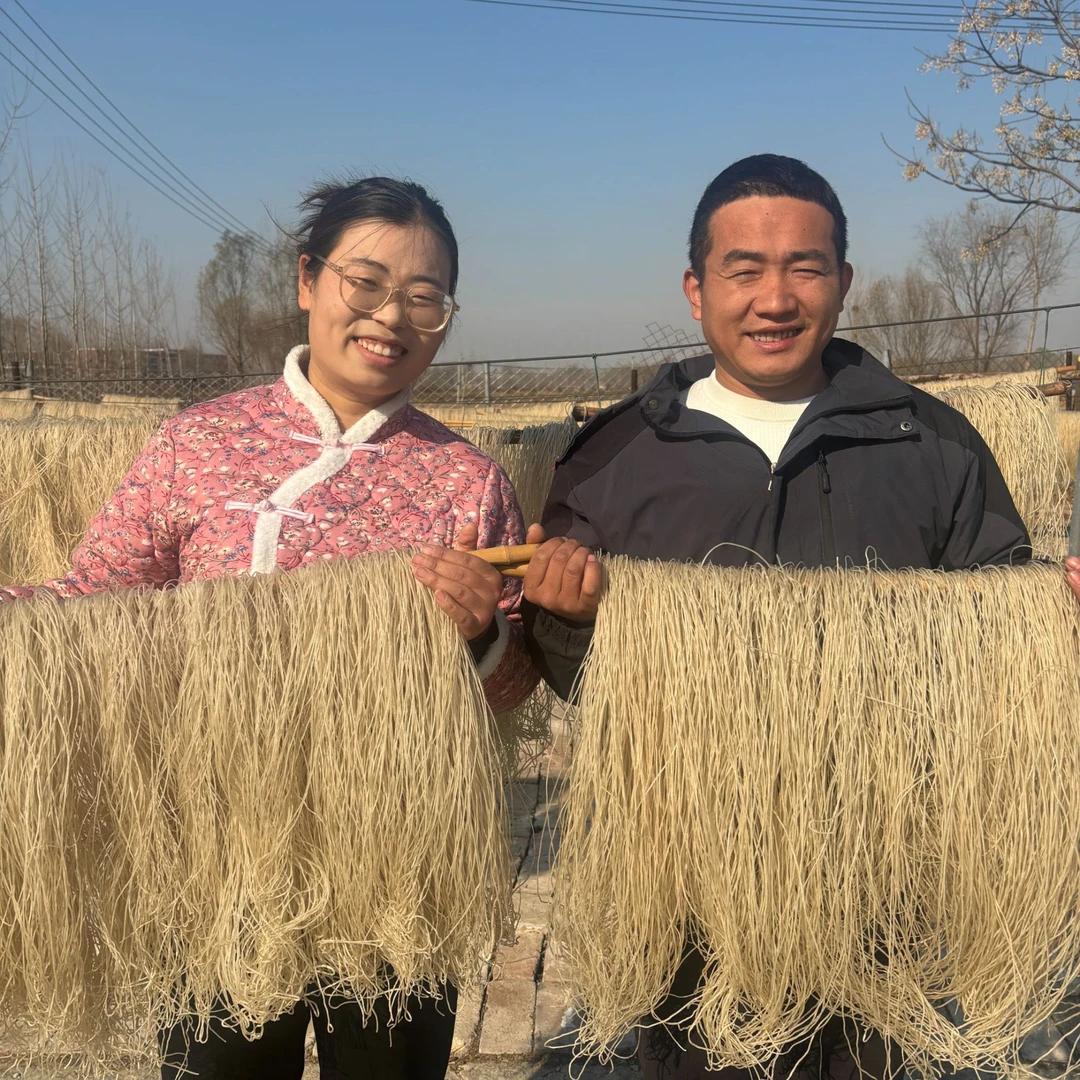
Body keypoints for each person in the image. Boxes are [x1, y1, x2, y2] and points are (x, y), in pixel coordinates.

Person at [0, 175, 538, 1079]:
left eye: (424, 297)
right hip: (217, 847)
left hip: (397, 854)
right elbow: (100, 598)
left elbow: (514, 688)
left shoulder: (465, 479)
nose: (390, 317)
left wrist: (481, 636)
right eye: (364, 283)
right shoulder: (198, 442)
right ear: (307, 280)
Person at [520, 154, 1033, 1079]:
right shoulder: (616, 454)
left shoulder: (935, 442)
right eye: (744, 268)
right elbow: (574, 681)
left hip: (883, 869)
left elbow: (1000, 635)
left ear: (844, 281)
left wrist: (1054, 616)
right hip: (688, 874)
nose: (775, 297)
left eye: (804, 266)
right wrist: (564, 622)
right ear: (695, 287)